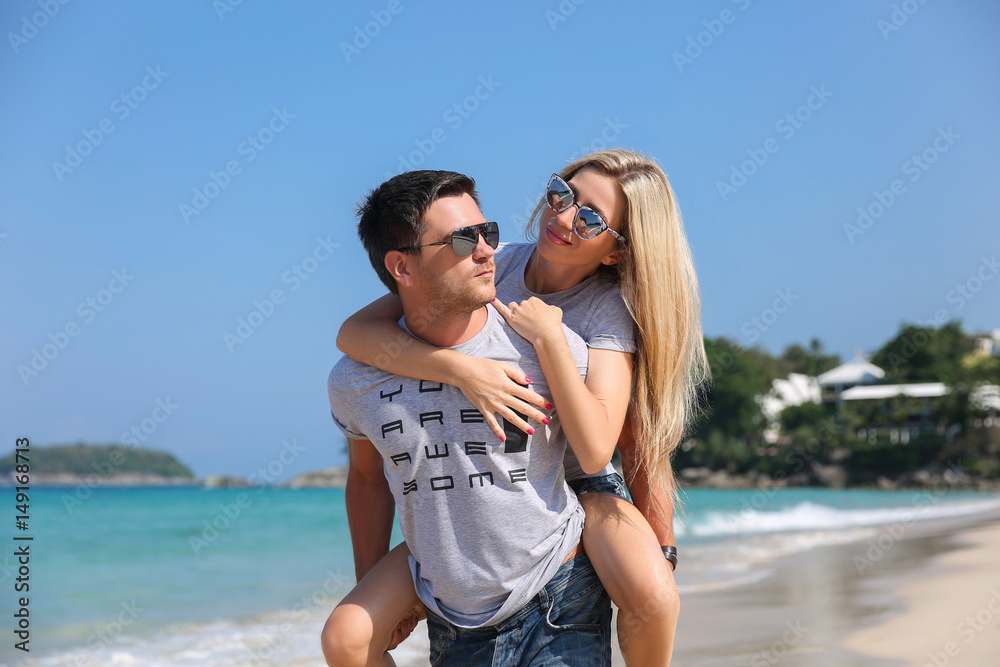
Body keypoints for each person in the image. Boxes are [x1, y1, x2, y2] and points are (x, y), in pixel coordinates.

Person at [335, 149, 710, 666]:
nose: (562, 217)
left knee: (654, 598)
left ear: (617, 252)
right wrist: (462, 370)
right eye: (562, 193)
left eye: (590, 218)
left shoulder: (608, 311)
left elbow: (614, 446)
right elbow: (355, 334)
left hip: (580, 478)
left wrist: (663, 546)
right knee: (346, 635)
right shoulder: (493, 260)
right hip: (490, 485)